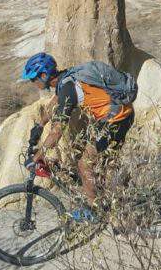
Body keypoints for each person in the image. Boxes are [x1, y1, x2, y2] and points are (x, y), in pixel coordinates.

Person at [19, 52, 136, 222]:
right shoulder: (66, 80)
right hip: (115, 115)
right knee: (96, 161)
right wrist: (40, 125)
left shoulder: (68, 88)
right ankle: (111, 199)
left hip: (116, 119)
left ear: (44, 75)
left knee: (84, 164)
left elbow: (57, 132)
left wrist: (37, 157)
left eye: (33, 79)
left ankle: (94, 210)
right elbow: (55, 103)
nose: (33, 83)